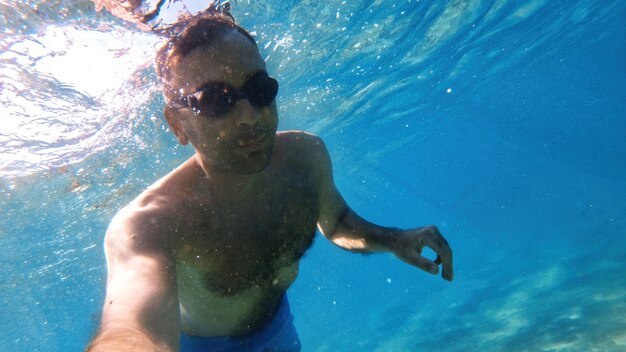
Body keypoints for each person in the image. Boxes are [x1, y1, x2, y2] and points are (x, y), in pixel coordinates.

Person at [87, 8, 453, 352]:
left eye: (259, 90)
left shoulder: (305, 157)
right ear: (177, 123)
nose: (249, 116)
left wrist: (393, 239)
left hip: (279, 328)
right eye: (215, 101)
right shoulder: (148, 223)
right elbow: (133, 327)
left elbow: (337, 222)